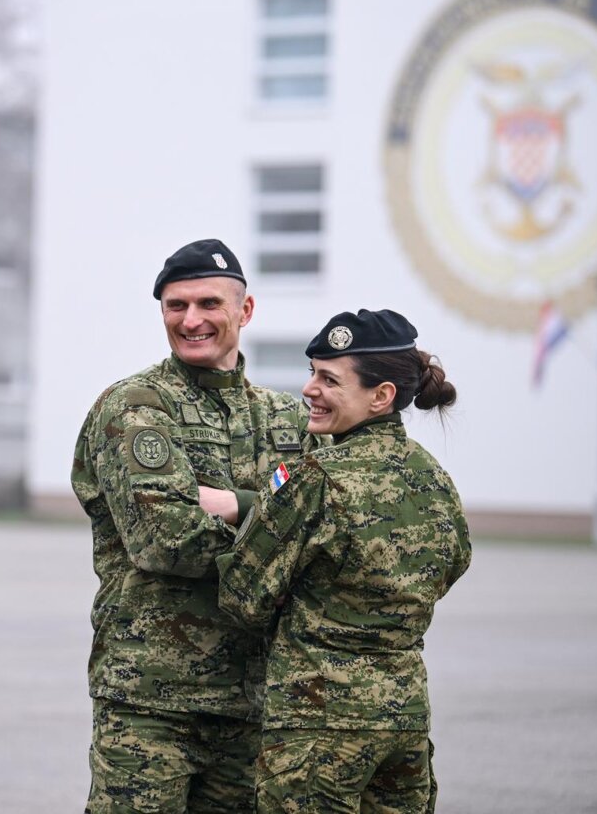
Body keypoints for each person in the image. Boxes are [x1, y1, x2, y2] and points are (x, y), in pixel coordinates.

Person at [71, 239, 324, 812]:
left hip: (258, 702)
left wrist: (230, 502)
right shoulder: (136, 407)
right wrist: (275, 516)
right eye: (175, 306)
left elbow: (328, 532)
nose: (191, 320)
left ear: (246, 310)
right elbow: (166, 541)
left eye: (209, 303)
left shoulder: (288, 419)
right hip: (152, 702)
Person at [213, 308, 472, 813]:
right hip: (403, 721)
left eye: (330, 379)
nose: (310, 389)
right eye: (312, 372)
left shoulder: (317, 476)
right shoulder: (433, 476)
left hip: (319, 724)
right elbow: (452, 565)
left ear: (381, 396)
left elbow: (243, 594)